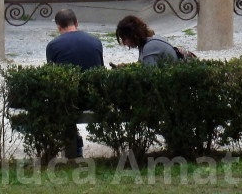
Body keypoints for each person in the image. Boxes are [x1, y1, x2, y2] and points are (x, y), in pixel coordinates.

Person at [46, 8, 104, 159]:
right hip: (93, 98)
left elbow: (52, 76)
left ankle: (74, 144)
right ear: (77, 23)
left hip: (68, 100)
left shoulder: (53, 46)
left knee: (61, 98)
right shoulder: (95, 42)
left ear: (58, 27)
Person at [114, 15, 179, 66]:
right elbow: (143, 65)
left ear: (133, 35)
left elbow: (149, 76)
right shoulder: (149, 41)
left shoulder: (149, 47)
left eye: (124, 39)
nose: (124, 43)